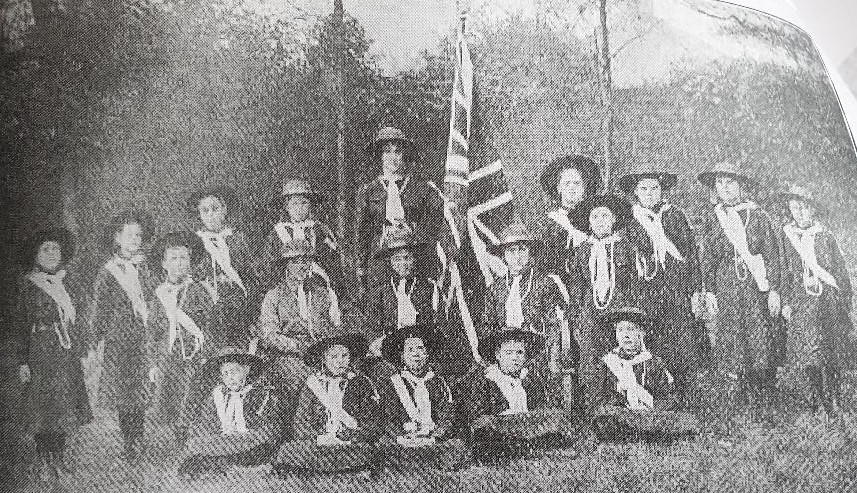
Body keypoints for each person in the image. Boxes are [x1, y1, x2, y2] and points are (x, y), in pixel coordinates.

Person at [697, 162, 782, 424]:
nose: (725, 187)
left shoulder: (758, 216)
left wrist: (774, 290)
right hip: (727, 287)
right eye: (720, 183)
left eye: (730, 182)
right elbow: (707, 258)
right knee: (733, 338)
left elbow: (773, 255)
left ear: (741, 186)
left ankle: (764, 397)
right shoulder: (714, 218)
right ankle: (738, 396)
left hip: (755, 287)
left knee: (759, 338)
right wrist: (709, 290)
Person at [618, 168, 704, 407]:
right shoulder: (630, 221)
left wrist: (696, 290)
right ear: (635, 193)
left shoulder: (675, 216)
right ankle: (659, 399)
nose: (649, 194)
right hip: (648, 292)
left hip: (677, 289)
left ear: (661, 190)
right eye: (643, 189)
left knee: (683, 344)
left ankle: (688, 399)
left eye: (654, 188)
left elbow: (691, 254)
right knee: (655, 344)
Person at [13, 228, 92, 479]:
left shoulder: (67, 283)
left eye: (55, 249)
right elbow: (20, 325)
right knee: (43, 407)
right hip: (39, 350)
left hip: (64, 351)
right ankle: (43, 459)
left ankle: (59, 459)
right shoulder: (27, 285)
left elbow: (78, 319)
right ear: (35, 255)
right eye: (45, 249)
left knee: (62, 406)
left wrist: (83, 349)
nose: (51, 253)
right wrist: (23, 361)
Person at [775, 184, 854, 416]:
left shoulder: (825, 236)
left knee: (829, 353)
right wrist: (786, 301)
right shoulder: (786, 236)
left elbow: (840, 272)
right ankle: (818, 398)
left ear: (813, 210)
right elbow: (783, 271)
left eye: (804, 207)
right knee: (808, 355)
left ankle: (834, 397)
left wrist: (844, 300)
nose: (799, 212)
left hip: (826, 302)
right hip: (801, 302)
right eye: (794, 207)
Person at [89, 209, 156, 463]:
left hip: (145, 337)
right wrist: (95, 340)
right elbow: (99, 309)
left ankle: (139, 437)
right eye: (130, 235)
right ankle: (130, 441)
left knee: (140, 390)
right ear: (117, 238)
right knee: (125, 392)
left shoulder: (147, 266)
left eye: (139, 235)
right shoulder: (109, 271)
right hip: (120, 339)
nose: (135, 240)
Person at [567, 194, 641, 412]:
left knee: (618, 355)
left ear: (614, 220)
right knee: (590, 359)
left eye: (605, 216)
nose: (600, 221)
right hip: (590, 312)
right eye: (595, 216)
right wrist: (576, 315)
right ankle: (593, 410)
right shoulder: (581, 251)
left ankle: (621, 407)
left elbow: (634, 284)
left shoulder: (626, 247)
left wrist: (631, 313)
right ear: (589, 222)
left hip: (619, 311)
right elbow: (577, 285)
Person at [273, 330, 381, 473]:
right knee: (287, 450)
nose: (339, 361)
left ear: (350, 358)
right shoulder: (312, 384)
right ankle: (345, 467)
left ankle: (321, 467)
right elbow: (301, 420)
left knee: (367, 450)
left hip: (349, 443)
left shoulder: (361, 382)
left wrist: (353, 436)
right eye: (333, 356)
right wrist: (318, 438)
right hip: (319, 443)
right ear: (324, 359)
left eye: (344, 356)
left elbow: (372, 420)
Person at [354, 126, 444, 295]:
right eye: (387, 152)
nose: (392, 157)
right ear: (380, 156)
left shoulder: (421, 188)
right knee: (383, 305)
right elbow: (362, 234)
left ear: (404, 155)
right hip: (380, 260)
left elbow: (435, 222)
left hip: (413, 259)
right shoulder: (368, 191)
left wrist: (414, 230)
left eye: (397, 152)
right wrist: (361, 268)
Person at [480, 223, 570, 389]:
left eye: (522, 250)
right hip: (504, 355)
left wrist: (552, 358)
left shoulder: (544, 283)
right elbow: (488, 326)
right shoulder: (495, 288)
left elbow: (554, 325)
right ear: (503, 256)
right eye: (511, 251)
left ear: (530, 252)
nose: (517, 257)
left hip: (536, 354)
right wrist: (496, 358)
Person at [146, 231, 215, 445]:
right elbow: (153, 332)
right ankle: (170, 440)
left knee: (190, 395)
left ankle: (187, 438)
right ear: (164, 263)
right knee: (167, 395)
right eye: (173, 259)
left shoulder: (198, 291)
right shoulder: (159, 294)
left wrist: (205, 354)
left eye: (183, 258)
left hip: (194, 356)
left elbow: (209, 325)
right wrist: (153, 362)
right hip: (168, 355)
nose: (179, 263)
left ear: (191, 261)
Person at [592, 307, 699, 443]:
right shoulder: (608, 363)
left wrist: (652, 406)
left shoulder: (653, 362)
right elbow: (600, 398)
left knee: (685, 420)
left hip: (650, 416)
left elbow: (670, 397)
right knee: (605, 416)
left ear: (641, 333)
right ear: (616, 334)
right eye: (620, 330)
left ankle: (642, 433)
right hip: (623, 416)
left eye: (630, 329)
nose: (625, 335)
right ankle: (645, 434)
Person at [178, 346, 284, 478]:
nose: (230, 378)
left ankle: (230, 467)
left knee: (257, 449)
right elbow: (207, 422)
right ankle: (231, 467)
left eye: (234, 372)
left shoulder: (259, 393)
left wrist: (242, 436)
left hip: (251, 440)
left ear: (246, 370)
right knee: (196, 446)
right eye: (225, 374)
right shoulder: (218, 396)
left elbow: (267, 425)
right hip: (226, 441)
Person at [257, 239, 341, 406]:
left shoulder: (322, 293)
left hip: (320, 352)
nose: (302, 266)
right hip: (289, 356)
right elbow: (269, 335)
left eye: (307, 261)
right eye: (296, 262)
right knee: (305, 379)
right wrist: (297, 346)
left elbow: (333, 328)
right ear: (286, 265)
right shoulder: (274, 296)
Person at [466, 328, 568, 463]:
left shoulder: (530, 382)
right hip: (501, 435)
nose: (515, 358)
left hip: (529, 431)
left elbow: (540, 411)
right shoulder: (487, 381)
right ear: (498, 355)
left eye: (519, 353)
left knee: (555, 418)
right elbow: (478, 418)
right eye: (508, 353)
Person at [376, 324, 468, 470]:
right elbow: (388, 417)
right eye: (410, 350)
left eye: (420, 349)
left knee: (457, 445)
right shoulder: (392, 384)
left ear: (427, 353)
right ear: (402, 356)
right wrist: (402, 436)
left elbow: (448, 414)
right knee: (385, 446)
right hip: (405, 438)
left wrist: (437, 434)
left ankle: (429, 463)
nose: (416, 354)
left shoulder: (439, 382)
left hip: (434, 438)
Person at [366, 227, 441, 379]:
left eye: (406, 258)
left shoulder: (427, 287)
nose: (403, 263)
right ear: (390, 262)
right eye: (397, 259)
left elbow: (436, 323)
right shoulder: (380, 291)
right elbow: (372, 327)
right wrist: (379, 343)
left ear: (414, 259)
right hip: (390, 353)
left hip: (421, 352)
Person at [189, 186, 259, 347]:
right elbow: (194, 276)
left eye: (215, 209)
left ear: (225, 210)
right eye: (205, 211)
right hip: (210, 306)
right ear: (199, 215)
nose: (211, 215)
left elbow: (249, 274)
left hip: (239, 304)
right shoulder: (196, 243)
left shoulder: (237, 239)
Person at [264, 178, 344, 311]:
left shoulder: (319, 230)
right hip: (287, 285)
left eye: (304, 203)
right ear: (287, 207)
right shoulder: (277, 232)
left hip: (316, 283)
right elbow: (270, 263)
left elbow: (332, 261)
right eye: (294, 204)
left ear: (310, 205)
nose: (299, 208)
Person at [538, 154, 602, 279]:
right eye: (567, 183)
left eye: (577, 183)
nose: (572, 187)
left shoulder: (594, 221)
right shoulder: (549, 223)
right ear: (558, 188)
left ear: (584, 188)